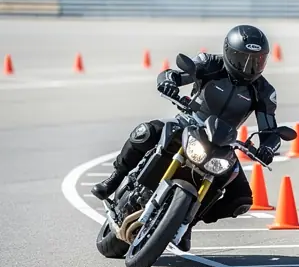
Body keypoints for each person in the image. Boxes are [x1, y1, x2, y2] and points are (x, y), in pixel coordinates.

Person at [91, 24, 281, 252]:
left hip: (223, 142)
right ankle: (114, 179)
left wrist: (267, 148)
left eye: (257, 60)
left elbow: (270, 129)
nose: (250, 66)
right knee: (146, 131)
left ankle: (186, 221)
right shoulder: (210, 63)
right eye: (243, 59)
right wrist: (169, 82)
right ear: (229, 53)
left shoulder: (263, 91)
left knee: (241, 200)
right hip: (189, 123)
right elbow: (175, 74)